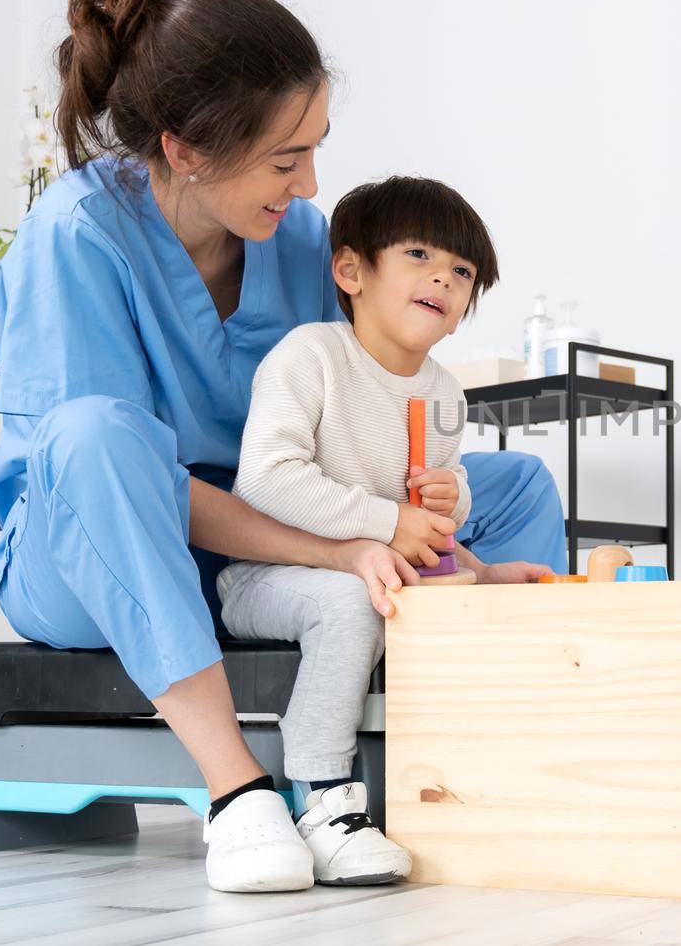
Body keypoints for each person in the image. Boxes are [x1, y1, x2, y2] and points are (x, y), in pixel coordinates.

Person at [0, 0, 562, 893]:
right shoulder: (75, 235)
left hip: (263, 543)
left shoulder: (300, 240)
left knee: (514, 487)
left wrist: (427, 482)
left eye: (316, 149)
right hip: (92, 548)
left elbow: (361, 405)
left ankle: (494, 747)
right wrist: (347, 547)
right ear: (183, 149)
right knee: (98, 435)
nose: (307, 184)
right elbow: (122, 479)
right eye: (285, 158)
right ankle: (239, 791)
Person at [217, 175, 498, 885]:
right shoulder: (311, 356)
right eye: (418, 254)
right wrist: (386, 522)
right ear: (351, 272)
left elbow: (433, 504)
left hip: (371, 569)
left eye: (461, 271)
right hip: (266, 576)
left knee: (464, 599)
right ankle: (322, 800)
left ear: (464, 306)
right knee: (346, 606)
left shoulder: (444, 392)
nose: (443, 275)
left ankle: (474, 782)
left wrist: (451, 496)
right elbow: (266, 478)